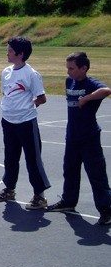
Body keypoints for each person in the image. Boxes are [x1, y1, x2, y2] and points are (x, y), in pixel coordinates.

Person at [47, 52, 111, 225]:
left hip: (89, 137)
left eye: (72, 68)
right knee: (70, 170)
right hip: (72, 136)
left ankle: (107, 210)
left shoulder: (91, 84)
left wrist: (88, 98)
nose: (68, 72)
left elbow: (106, 90)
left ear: (84, 68)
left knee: (96, 175)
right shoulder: (69, 82)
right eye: (67, 68)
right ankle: (68, 201)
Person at [0, 36, 50, 209]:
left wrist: (28, 107)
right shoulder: (6, 72)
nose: (7, 53)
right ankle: (9, 189)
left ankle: (39, 196)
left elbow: (42, 97)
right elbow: (7, 94)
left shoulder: (31, 74)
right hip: (8, 121)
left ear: (20, 54)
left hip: (26, 122)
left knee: (32, 158)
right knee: (10, 156)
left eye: (10, 51)